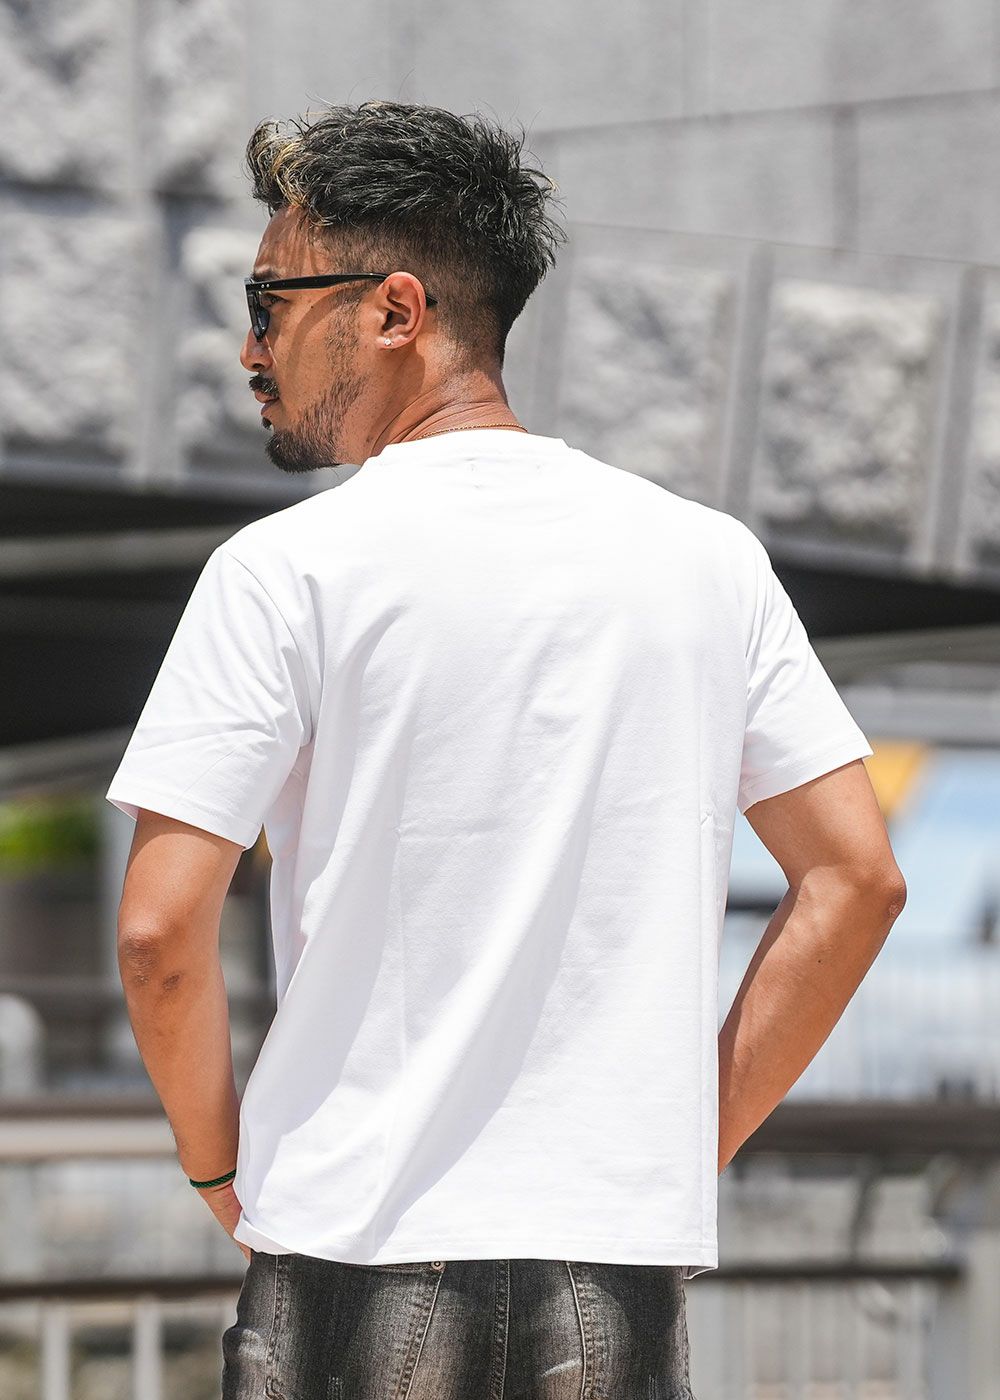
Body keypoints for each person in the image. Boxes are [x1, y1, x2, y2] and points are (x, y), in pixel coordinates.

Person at [105, 100, 907, 1400]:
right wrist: (682, 1142)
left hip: (351, 1247)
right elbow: (857, 879)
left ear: (396, 310)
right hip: (612, 1269)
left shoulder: (284, 570)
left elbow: (157, 932)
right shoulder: (710, 563)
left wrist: (220, 1171)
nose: (249, 347)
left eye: (269, 301)